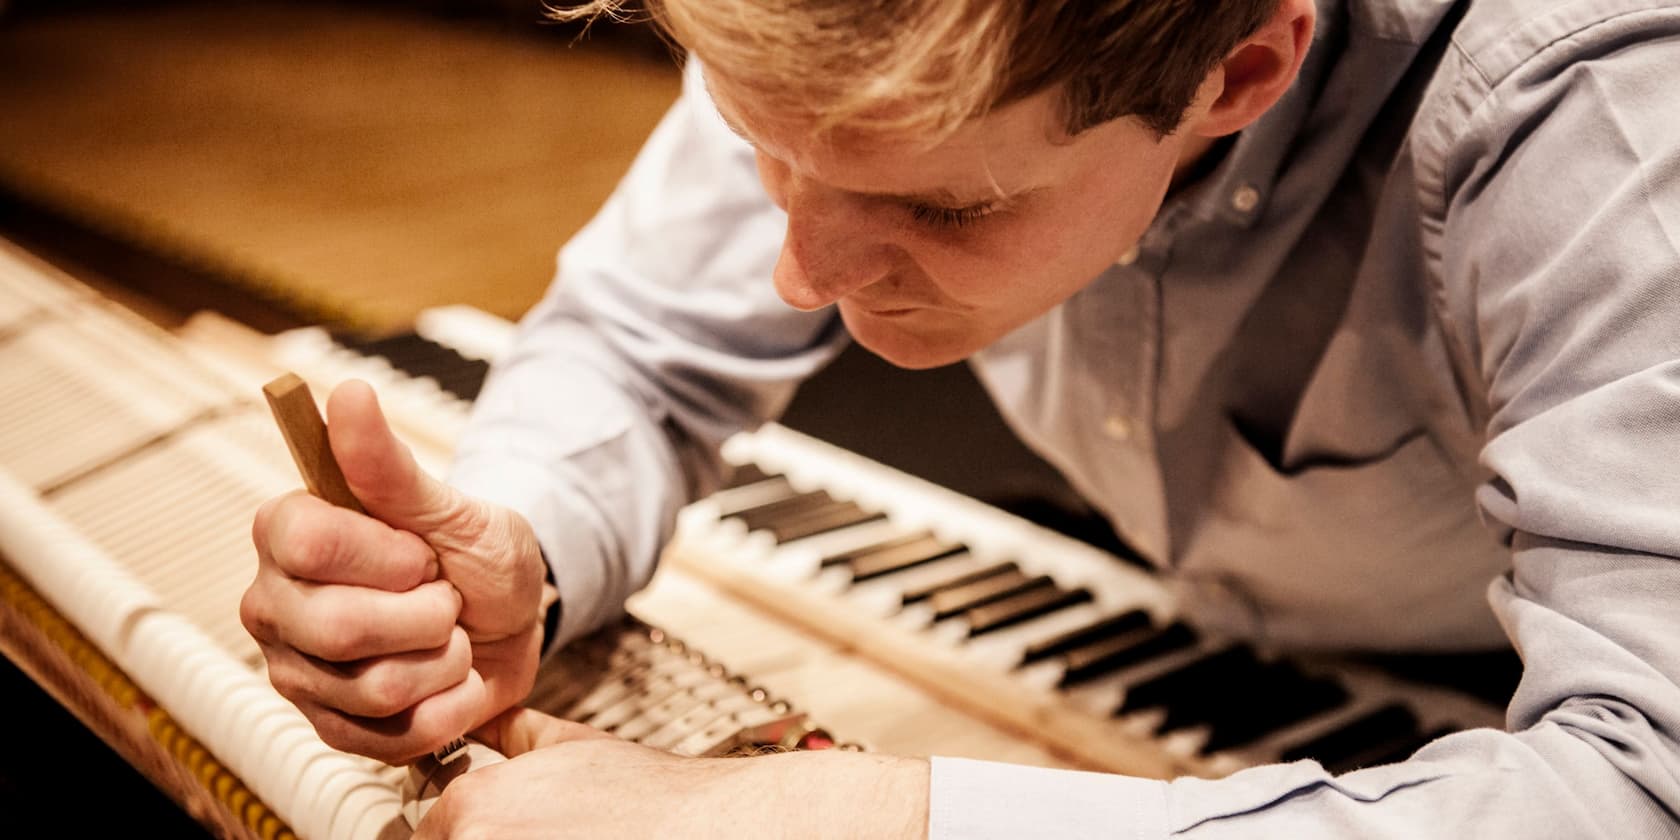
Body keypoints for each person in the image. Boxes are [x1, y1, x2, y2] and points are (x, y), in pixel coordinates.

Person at [239, 0, 1680, 835]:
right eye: (764, 155)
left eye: (947, 204)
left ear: (1240, 69)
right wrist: (526, 551)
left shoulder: (1596, 111)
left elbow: (1643, 787)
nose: (801, 268)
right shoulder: (856, 40)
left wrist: (880, 820)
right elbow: (644, 345)